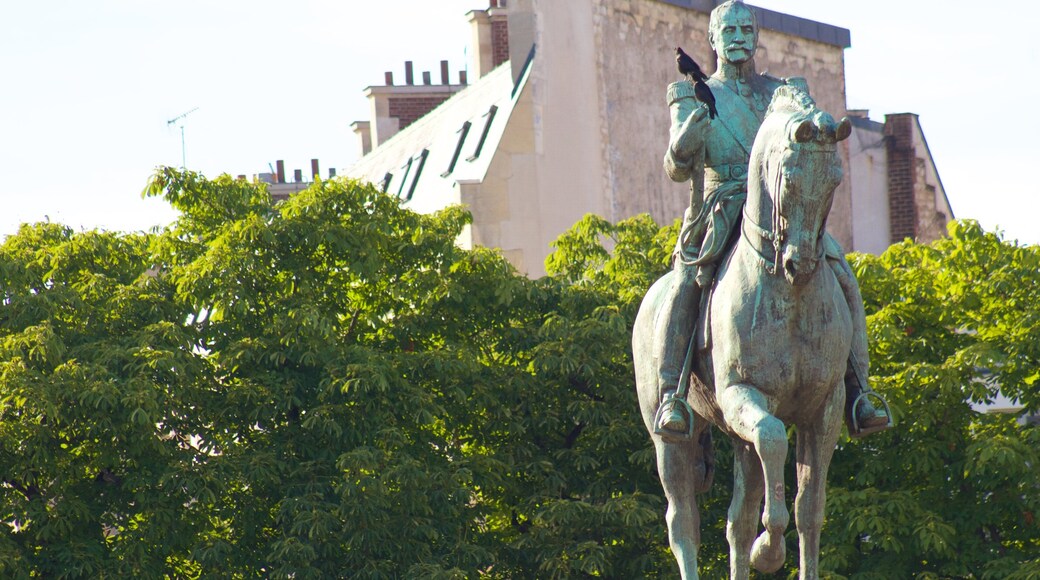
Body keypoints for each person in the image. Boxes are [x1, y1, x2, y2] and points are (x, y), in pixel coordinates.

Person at [653, 0, 889, 438]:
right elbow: (676, 164)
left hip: (783, 207)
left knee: (840, 270)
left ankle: (860, 391)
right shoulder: (690, 91)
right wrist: (690, 132)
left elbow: (806, 120)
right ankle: (672, 395)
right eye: (729, 31)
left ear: (758, 37)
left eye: (746, 30)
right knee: (686, 282)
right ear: (712, 39)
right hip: (721, 207)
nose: (739, 38)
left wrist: (818, 121)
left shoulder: (781, 90)